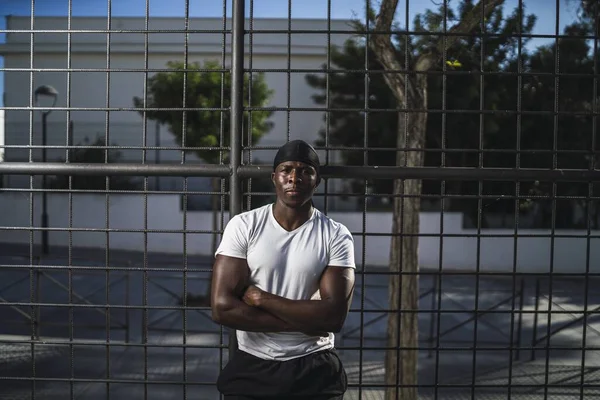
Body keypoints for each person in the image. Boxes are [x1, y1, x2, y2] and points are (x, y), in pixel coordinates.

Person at [210, 139, 356, 400]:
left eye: (305, 171)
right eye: (287, 169)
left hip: (315, 367)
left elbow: (333, 318)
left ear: (316, 180)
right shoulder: (244, 225)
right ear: (274, 177)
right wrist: (305, 323)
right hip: (254, 364)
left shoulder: (336, 235)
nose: (294, 178)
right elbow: (222, 308)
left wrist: (261, 298)